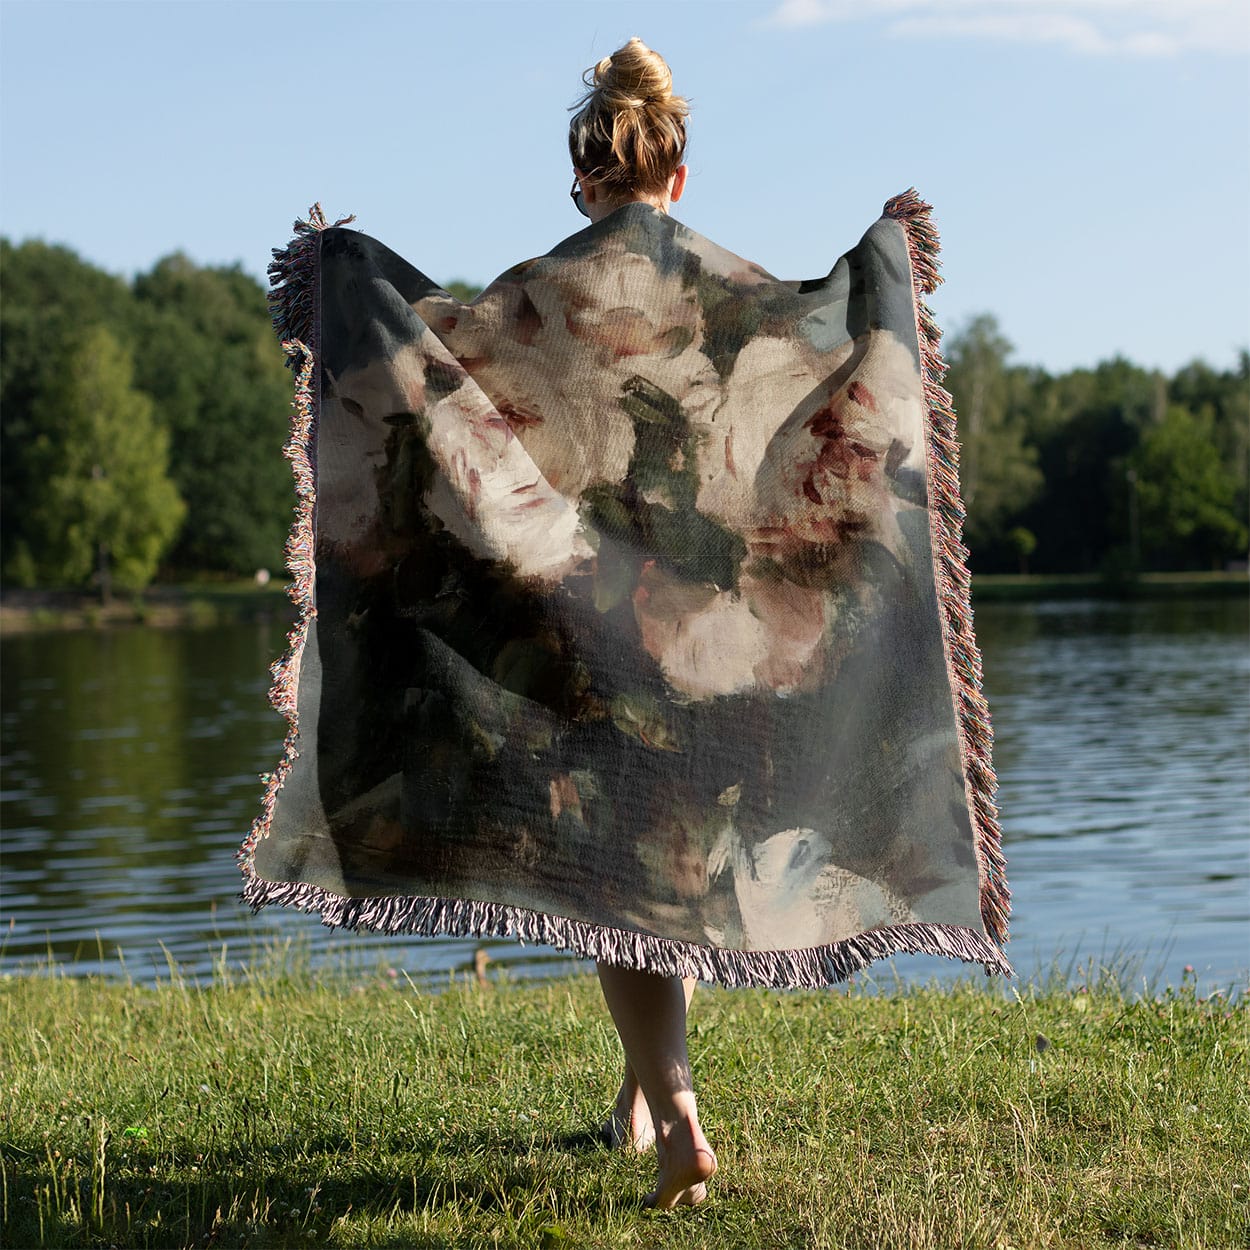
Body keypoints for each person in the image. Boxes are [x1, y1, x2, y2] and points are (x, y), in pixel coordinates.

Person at [566, 36, 718, 1212]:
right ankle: (633, 1100)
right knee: (664, 862)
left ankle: (676, 1115)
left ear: (586, 183)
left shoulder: (548, 287)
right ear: (676, 176)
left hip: (591, 617)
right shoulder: (722, 290)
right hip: (707, 625)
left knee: (612, 880)